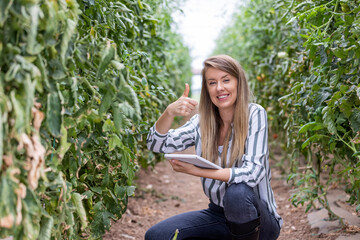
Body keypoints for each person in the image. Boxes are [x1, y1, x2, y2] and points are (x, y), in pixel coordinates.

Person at [145, 55, 282, 240]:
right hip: (219, 214)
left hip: (259, 220)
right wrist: (169, 112)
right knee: (157, 235)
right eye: (212, 82)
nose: (219, 88)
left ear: (238, 83)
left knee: (237, 192)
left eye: (226, 80)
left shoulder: (254, 114)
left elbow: (253, 173)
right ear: (206, 89)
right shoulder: (201, 122)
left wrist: (197, 170)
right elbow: (156, 144)